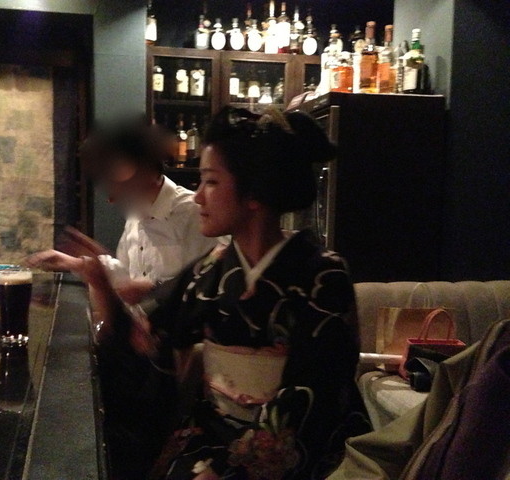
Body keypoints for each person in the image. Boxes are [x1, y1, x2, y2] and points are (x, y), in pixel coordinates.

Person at [31, 107, 371, 479]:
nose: (197, 198)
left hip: (296, 453)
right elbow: (148, 339)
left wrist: (232, 467)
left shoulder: (323, 275)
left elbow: (317, 396)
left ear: (254, 191)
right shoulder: (211, 269)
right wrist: (102, 287)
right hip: (213, 437)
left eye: (211, 182)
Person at [37, 119, 218, 305]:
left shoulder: (193, 212)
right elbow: (127, 273)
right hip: (140, 321)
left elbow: (208, 282)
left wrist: (153, 289)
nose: (109, 190)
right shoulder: (135, 215)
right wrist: (76, 263)